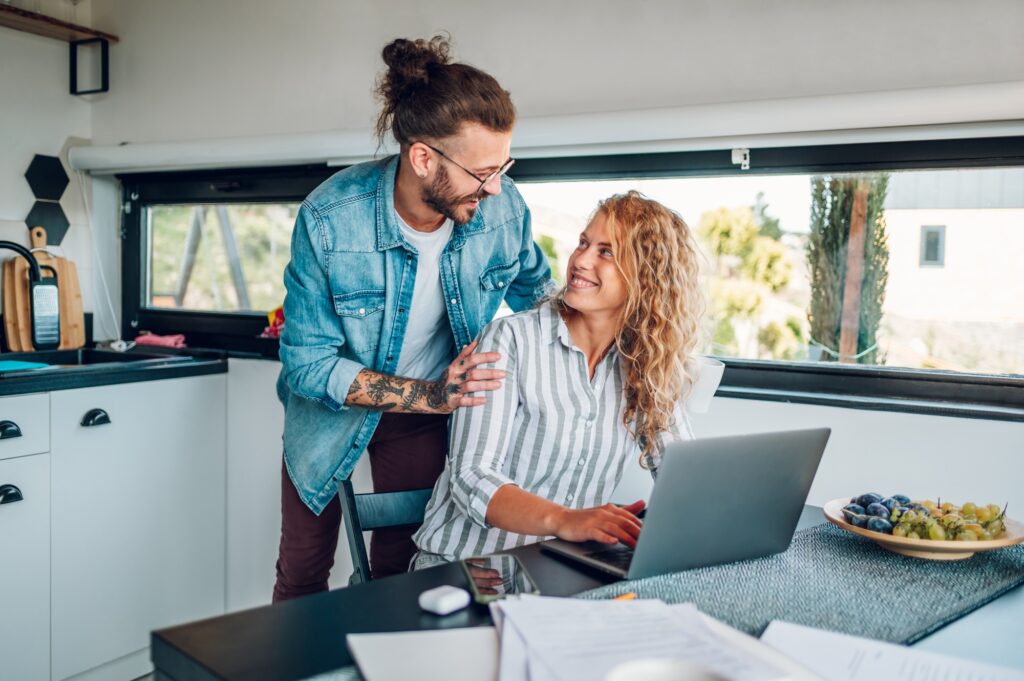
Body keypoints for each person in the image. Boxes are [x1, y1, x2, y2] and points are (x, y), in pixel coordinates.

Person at [273, 35, 553, 600]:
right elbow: (307, 366)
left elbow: (540, 298)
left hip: (425, 418)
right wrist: (433, 395)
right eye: (481, 172)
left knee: (403, 568)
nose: (495, 186)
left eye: (504, 166)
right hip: (328, 414)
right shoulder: (329, 219)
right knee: (302, 573)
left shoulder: (504, 207)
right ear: (423, 157)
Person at [412, 191, 723, 567]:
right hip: (468, 565)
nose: (580, 260)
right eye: (584, 243)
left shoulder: (645, 366)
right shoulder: (510, 340)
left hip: (559, 567)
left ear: (646, 278)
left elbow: (682, 476)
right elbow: (470, 477)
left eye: (606, 252)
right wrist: (565, 519)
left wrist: (710, 513)